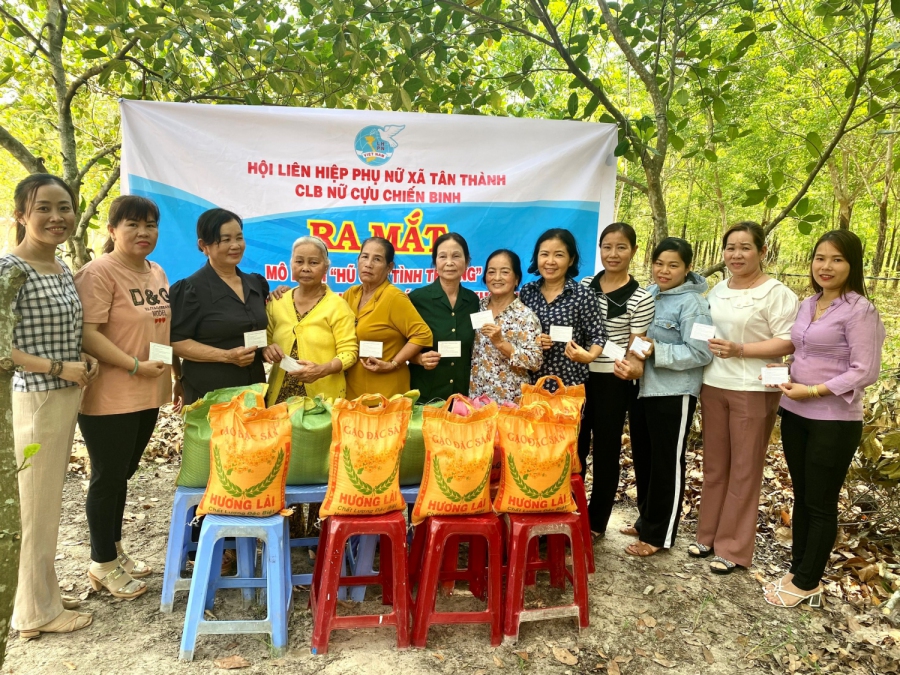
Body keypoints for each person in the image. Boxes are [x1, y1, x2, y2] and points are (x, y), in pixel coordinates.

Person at [763, 231, 884, 607]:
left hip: (833, 418)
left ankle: (807, 582)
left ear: (852, 265)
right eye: (820, 258)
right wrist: (784, 372)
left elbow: (865, 371)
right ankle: (801, 569)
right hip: (795, 412)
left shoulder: (860, 310)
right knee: (802, 495)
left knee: (820, 500)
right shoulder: (808, 303)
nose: (825, 267)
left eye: (836, 259)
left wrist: (814, 391)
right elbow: (804, 353)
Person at [3, 174, 97, 639]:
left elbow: (67, 330)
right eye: (44, 208)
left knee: (47, 504)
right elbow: (2, 347)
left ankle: (41, 594)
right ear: (21, 214)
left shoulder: (60, 269)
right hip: (36, 399)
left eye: (64, 207)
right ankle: (35, 613)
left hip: (63, 395)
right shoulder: (9, 269)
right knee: (34, 508)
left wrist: (83, 360)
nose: (57, 217)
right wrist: (61, 367)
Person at [76, 195, 175, 600]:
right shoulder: (98, 273)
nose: (142, 232)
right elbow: (88, 334)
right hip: (111, 395)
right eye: (132, 224)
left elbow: (162, 331)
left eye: (150, 225)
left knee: (124, 474)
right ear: (113, 229)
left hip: (149, 391)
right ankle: (101, 563)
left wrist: (171, 376)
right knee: (107, 477)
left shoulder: (157, 271)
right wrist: (133, 364)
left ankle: (115, 550)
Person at [693, 222, 799, 574]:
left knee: (744, 469)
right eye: (730, 248)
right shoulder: (718, 289)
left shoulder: (776, 293)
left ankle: (733, 547)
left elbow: (788, 341)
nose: (736, 255)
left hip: (753, 387)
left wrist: (741, 349)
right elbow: (706, 329)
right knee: (715, 465)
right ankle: (706, 535)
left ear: (762, 252)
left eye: (745, 247)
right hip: (714, 383)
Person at [616, 238, 713, 556]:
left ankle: (660, 535)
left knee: (666, 463)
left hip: (673, 393)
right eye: (659, 263)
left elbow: (700, 353)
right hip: (642, 389)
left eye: (673, 265)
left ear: (687, 268)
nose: (664, 270)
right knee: (645, 459)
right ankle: (647, 520)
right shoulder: (650, 294)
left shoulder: (695, 305)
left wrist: (657, 349)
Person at [578, 223, 655, 536]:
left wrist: (635, 364)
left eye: (621, 247)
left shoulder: (640, 297)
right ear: (600, 249)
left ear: (633, 251)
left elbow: (637, 342)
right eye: (607, 246)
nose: (613, 253)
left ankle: (596, 524)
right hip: (579, 378)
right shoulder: (584, 285)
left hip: (613, 381)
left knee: (607, 450)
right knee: (575, 448)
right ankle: (571, 513)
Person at [169, 208, 268, 406]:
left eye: (239, 238)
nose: (235, 245)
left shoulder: (256, 283)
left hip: (253, 391)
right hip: (209, 394)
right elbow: (176, 342)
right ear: (203, 246)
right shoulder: (190, 289)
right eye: (225, 240)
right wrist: (226, 356)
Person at [263, 236, 358, 405]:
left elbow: (349, 353)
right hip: (278, 401)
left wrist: (321, 370)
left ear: (326, 267)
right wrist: (267, 349)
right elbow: (266, 341)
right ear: (291, 264)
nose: (305, 268)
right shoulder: (277, 302)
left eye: (313, 263)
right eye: (299, 261)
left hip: (323, 401)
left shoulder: (338, 306)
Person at [519, 228, 607, 390]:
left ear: (571, 259)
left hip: (569, 384)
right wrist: (533, 341)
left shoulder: (582, 294)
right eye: (544, 254)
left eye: (559, 255)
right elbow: (518, 333)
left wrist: (588, 356)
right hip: (531, 384)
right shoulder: (527, 292)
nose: (550, 261)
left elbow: (598, 336)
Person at [343, 237, 432, 399]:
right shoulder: (351, 294)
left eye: (377, 259)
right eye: (364, 257)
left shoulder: (394, 297)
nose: (368, 264)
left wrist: (393, 364)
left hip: (386, 392)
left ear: (389, 267)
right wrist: (290, 293)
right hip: (352, 389)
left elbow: (422, 334)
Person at [408, 233, 480, 402]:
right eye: (442, 256)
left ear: (467, 262)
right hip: (426, 393)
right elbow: (397, 345)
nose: (449, 263)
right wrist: (417, 358)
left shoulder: (473, 301)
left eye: (456, 256)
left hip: (462, 395)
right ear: (435, 263)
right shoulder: (417, 299)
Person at [469, 249, 543, 403]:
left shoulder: (526, 316)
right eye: (491, 272)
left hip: (510, 402)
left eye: (504, 272)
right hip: (477, 400)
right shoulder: (477, 307)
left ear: (516, 279)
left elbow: (535, 361)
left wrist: (501, 344)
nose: (497, 278)